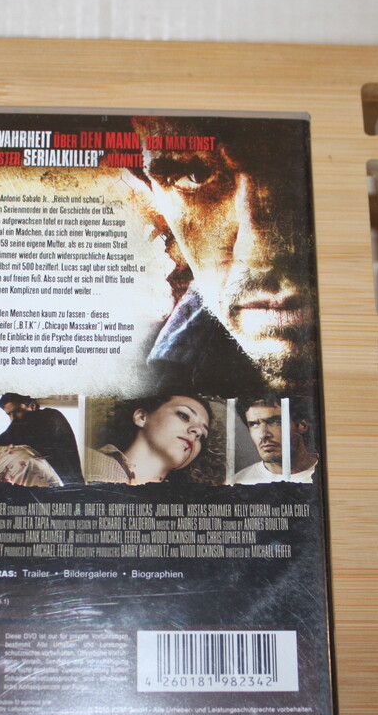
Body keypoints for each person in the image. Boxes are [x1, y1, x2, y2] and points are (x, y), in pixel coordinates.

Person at [132, 116, 319, 395]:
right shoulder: (131, 368)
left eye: (295, 172)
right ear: (152, 199)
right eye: (195, 174)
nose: (260, 252)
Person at [86, 394, 214, 485]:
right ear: (141, 417)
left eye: (202, 436)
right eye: (184, 415)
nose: (197, 431)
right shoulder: (84, 460)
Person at [0, 393, 83, 484]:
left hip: (66, 480)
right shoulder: (19, 428)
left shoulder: (50, 416)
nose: (13, 418)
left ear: (32, 406)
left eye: (18, 411)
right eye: (9, 414)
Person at [234, 395, 319, 484]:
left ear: (302, 426)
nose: (263, 435)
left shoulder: (325, 468)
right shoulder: (239, 482)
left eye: (273, 422)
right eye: (254, 424)